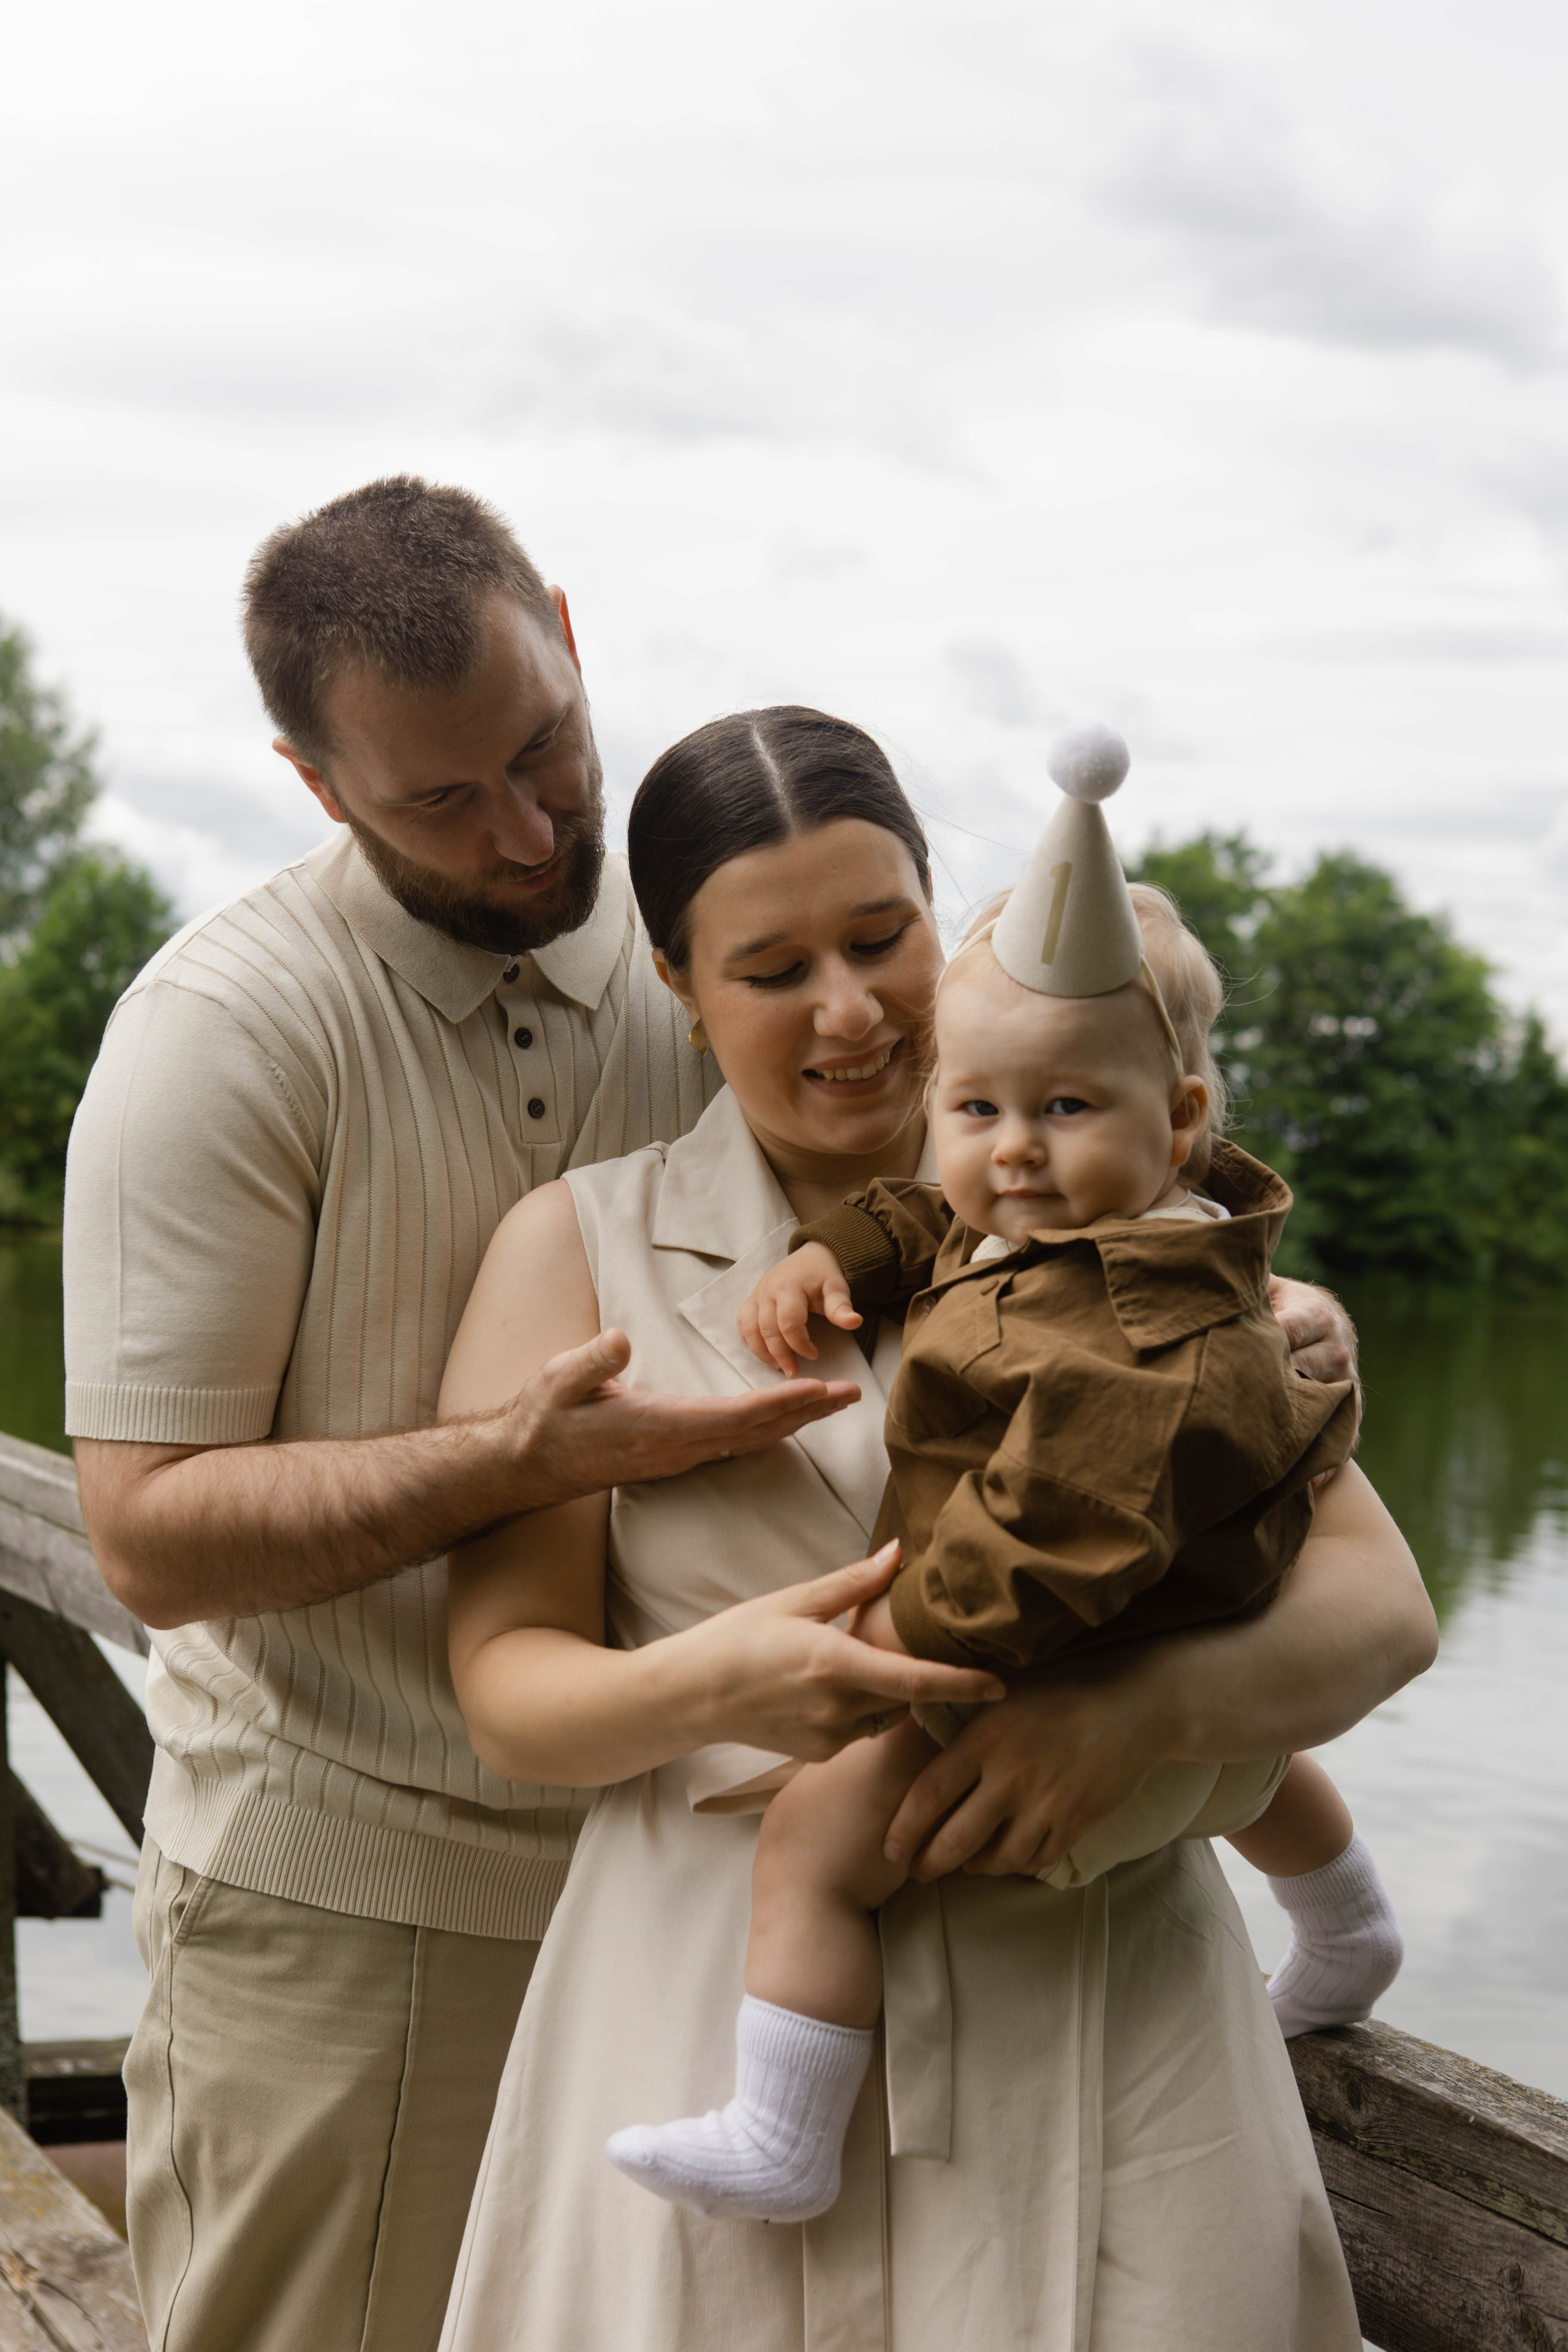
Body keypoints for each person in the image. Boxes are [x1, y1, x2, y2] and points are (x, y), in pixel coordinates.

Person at [436, 705, 1438, 2352]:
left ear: (937, 911)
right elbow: (506, 1694)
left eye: (881, 935)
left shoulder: (1147, 1233)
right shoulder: (574, 1251)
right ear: (680, 990)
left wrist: (1138, 1715)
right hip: (711, 2005)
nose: (848, 1009)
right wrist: (722, 1683)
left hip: (1109, 2027)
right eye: (770, 969)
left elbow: (1385, 1615)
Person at [63, 480, 923, 2352]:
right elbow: (142, 1531)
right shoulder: (222, 1032)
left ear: (567, 623)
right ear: (315, 785)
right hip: (351, 1911)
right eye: (441, 802)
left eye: (546, 750)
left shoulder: (717, 953)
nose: (531, 831)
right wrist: (507, 1469)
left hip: (700, 1902)